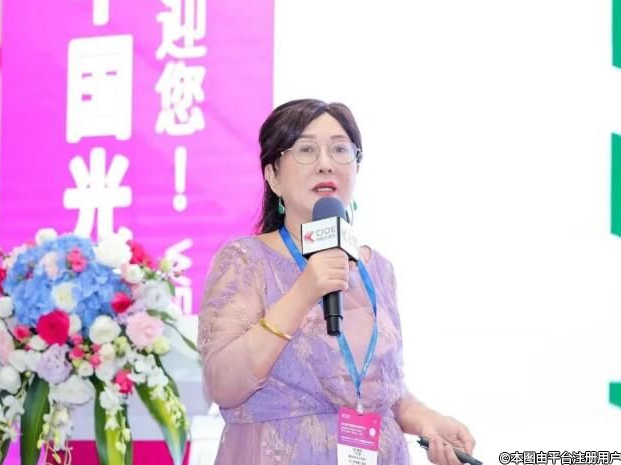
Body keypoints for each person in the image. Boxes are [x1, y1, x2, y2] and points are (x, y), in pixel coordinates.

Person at [197, 99, 476, 465]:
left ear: (356, 167)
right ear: (273, 176)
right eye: (306, 150)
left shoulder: (379, 270)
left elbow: (376, 389)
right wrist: (302, 293)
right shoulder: (245, 260)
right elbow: (223, 384)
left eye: (340, 149)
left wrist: (428, 421)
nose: (325, 163)